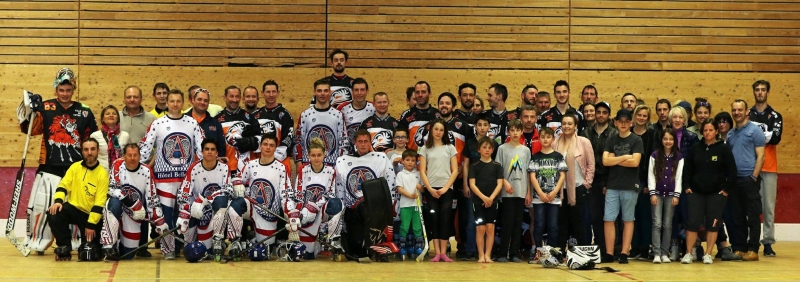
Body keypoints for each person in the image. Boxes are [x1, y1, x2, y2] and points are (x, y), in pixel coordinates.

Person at [18, 68, 98, 254]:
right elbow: (29, 129)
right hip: (50, 167)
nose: (64, 94)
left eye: (68, 90)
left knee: (77, 207)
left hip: (77, 169)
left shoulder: (84, 112)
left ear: (73, 89)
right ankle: (37, 240)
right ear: (56, 89)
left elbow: (92, 140)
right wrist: (30, 109)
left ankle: (76, 242)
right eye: (61, 90)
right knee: (42, 205)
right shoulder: (45, 107)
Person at [139, 88, 204, 259]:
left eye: (178, 101)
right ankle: (169, 250)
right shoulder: (157, 123)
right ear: (166, 103)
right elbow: (144, 149)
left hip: (186, 179)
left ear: (183, 103)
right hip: (163, 179)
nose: (175, 104)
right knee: (166, 215)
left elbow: (202, 149)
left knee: (187, 213)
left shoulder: (192, 123)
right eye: (172, 101)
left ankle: (190, 247)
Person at [333, 129, 397, 258]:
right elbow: (339, 188)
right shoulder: (343, 161)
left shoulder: (381, 158)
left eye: (365, 141)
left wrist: (389, 206)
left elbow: (391, 182)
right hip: (352, 210)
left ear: (370, 143)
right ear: (355, 143)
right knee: (353, 253)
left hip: (375, 209)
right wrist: (341, 212)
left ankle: (378, 246)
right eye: (360, 141)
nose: (363, 144)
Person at [683, 120, 738, 264]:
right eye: (705, 130)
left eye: (711, 130)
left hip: (716, 194)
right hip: (696, 193)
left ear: (716, 131)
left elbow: (732, 171)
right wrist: (687, 186)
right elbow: (687, 170)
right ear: (702, 131)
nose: (708, 133)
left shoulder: (723, 149)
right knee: (692, 223)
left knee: (713, 224)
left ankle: (708, 254)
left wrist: (726, 190)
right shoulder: (695, 148)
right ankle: (689, 253)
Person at [101, 144, 168, 260]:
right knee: (114, 202)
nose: (132, 158)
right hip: (119, 210)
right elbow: (112, 190)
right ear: (124, 156)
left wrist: (159, 222)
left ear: (140, 156)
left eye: (135, 155)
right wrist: (132, 204)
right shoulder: (117, 165)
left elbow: (152, 200)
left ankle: (121, 246)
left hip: (135, 215)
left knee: (128, 255)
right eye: (129, 155)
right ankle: (108, 246)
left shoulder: (146, 171)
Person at [177, 139, 241, 259]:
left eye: (212, 149)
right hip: (197, 211)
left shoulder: (224, 168)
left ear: (217, 153)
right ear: (202, 151)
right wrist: (185, 210)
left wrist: (206, 199)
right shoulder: (194, 168)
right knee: (190, 247)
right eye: (207, 149)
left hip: (217, 211)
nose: (209, 152)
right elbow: (183, 192)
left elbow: (227, 191)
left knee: (208, 251)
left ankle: (220, 242)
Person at [47, 138, 108, 261]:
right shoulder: (75, 167)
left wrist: (91, 224)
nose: (89, 152)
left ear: (98, 151)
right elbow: (63, 185)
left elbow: (100, 202)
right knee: (54, 212)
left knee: (90, 252)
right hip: (74, 208)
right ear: (82, 151)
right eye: (86, 149)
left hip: (91, 215)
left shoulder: (103, 174)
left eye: (92, 149)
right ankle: (64, 247)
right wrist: (58, 201)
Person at [601, 109, 644, 264]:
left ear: (631, 123)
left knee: (628, 219)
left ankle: (625, 252)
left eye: (627, 121)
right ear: (616, 122)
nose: (624, 124)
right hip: (613, 185)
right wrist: (626, 156)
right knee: (608, 219)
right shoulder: (611, 139)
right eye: (621, 121)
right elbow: (605, 161)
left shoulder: (636, 140)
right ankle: (609, 253)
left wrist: (616, 158)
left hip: (630, 185)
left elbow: (635, 162)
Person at [727, 99, 765, 261]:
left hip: (750, 180)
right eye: (734, 110)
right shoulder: (730, 134)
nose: (737, 113)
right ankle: (741, 248)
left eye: (740, 110)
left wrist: (753, 177)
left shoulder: (755, 130)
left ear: (746, 111)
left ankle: (754, 249)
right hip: (734, 181)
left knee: (753, 216)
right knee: (737, 216)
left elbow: (761, 155)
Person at [748, 80, 782, 257]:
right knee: (748, 206)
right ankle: (748, 240)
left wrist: (755, 134)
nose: (760, 93)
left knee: (768, 206)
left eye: (763, 90)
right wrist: (764, 134)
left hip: (769, 166)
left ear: (768, 92)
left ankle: (768, 241)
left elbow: (775, 138)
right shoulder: (747, 114)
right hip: (749, 166)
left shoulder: (776, 116)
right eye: (757, 90)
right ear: (754, 92)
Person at [240, 133, 292, 246]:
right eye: (265, 144)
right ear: (260, 146)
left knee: (265, 246)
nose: (268, 147)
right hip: (251, 206)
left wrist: (290, 212)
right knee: (234, 206)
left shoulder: (281, 168)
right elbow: (238, 180)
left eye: (271, 145)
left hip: (269, 213)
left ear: (275, 148)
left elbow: (286, 193)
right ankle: (237, 240)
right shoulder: (250, 165)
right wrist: (238, 186)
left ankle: (253, 238)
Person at [419, 119, 459, 262]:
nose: (438, 132)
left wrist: (446, 188)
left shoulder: (450, 148)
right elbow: (422, 171)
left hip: (446, 189)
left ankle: (444, 253)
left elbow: (455, 170)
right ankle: (437, 253)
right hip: (431, 190)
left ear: (444, 132)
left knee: (445, 219)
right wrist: (429, 188)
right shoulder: (425, 149)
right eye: (436, 129)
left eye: (441, 130)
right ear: (431, 130)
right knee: (434, 219)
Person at [552, 111, 594, 247]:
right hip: (560, 190)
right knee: (561, 223)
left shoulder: (584, 142)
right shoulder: (555, 144)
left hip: (578, 188)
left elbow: (590, 164)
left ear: (576, 126)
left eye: (570, 123)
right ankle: (560, 252)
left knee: (579, 222)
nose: (566, 126)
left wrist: (586, 184)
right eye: (564, 124)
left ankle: (582, 251)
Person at [581, 101, 616, 254]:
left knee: (609, 217)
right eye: (598, 112)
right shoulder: (586, 132)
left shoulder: (614, 133)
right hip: (590, 179)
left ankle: (610, 248)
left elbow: (615, 161)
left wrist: (609, 183)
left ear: (609, 115)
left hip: (608, 180)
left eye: (604, 112)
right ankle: (598, 247)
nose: (601, 115)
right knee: (594, 215)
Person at [292, 138, 336, 259]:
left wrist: (314, 206)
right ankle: (315, 243)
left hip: (322, 210)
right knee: (307, 255)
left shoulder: (331, 171)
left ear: (324, 155)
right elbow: (298, 193)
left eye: (319, 155)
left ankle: (332, 240)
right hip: (306, 213)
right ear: (308, 156)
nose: (316, 158)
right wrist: (299, 212)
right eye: (313, 155)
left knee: (337, 204)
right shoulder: (303, 170)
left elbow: (330, 194)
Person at [494, 120, 531, 263]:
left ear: (521, 132)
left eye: (518, 130)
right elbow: (498, 169)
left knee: (517, 223)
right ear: (508, 132)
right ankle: (503, 253)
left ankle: (514, 253)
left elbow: (528, 172)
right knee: (507, 223)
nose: (515, 133)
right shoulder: (502, 148)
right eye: (512, 130)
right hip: (507, 192)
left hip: (521, 191)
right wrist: (505, 183)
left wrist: (528, 192)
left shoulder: (526, 150)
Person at [667, 106, 699, 261]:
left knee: (688, 216)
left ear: (685, 120)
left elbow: (695, 163)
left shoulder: (692, 137)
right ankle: (673, 246)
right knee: (671, 217)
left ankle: (690, 248)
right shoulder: (665, 136)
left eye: (680, 117)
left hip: (687, 184)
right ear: (670, 119)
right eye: (675, 117)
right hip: (669, 183)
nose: (677, 120)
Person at [647, 128, 683, 264]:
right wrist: (652, 193)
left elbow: (679, 177)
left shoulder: (679, 157)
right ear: (661, 140)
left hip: (671, 195)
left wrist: (677, 195)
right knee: (657, 223)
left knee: (667, 224)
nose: (668, 141)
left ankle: (664, 252)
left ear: (674, 141)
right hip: (657, 194)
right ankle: (656, 253)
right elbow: (651, 175)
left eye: (671, 139)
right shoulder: (655, 155)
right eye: (665, 139)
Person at [529, 127, 567, 251]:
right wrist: (540, 193)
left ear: (553, 139)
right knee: (539, 225)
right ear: (539, 139)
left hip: (554, 198)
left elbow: (562, 175)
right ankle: (539, 251)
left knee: (553, 226)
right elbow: (532, 176)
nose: (545, 139)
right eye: (543, 137)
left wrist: (555, 191)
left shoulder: (558, 156)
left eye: (548, 137)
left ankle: (552, 252)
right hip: (538, 197)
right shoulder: (535, 157)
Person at [295, 78, 348, 167]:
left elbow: (343, 142)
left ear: (330, 92)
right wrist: (299, 162)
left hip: (332, 165)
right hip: (308, 165)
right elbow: (298, 140)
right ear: (314, 92)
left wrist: (340, 165)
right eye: (319, 91)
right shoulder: (305, 115)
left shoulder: (338, 115)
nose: (322, 93)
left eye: (325, 91)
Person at [468, 137, 504, 264]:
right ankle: (481, 255)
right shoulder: (474, 166)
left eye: (489, 148)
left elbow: (500, 184)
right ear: (479, 150)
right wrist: (483, 197)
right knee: (480, 229)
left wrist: (491, 198)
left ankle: (488, 255)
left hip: (492, 202)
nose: (487, 150)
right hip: (478, 202)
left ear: (493, 150)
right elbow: (472, 184)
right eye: (484, 147)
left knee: (490, 228)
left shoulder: (497, 166)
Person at [251, 80, 295, 171]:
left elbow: (287, 140)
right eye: (268, 92)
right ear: (262, 93)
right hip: (259, 161)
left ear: (278, 93)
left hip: (280, 162)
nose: (271, 95)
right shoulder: (255, 115)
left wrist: (273, 160)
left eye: (273, 92)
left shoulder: (285, 115)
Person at [631, 105, 655, 260]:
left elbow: (653, 160)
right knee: (631, 216)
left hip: (645, 181)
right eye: (639, 115)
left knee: (645, 216)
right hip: (629, 180)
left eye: (644, 116)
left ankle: (645, 247)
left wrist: (648, 183)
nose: (641, 118)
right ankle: (634, 247)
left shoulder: (652, 135)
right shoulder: (629, 134)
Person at [395, 150, 425, 258]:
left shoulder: (419, 174)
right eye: (407, 160)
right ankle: (402, 246)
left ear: (416, 162)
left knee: (417, 227)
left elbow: (423, 190)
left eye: (413, 160)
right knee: (405, 226)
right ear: (402, 161)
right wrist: (410, 196)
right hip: (405, 205)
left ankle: (418, 246)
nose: (410, 162)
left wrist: (420, 188)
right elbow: (400, 189)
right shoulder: (400, 174)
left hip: (417, 205)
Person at [214, 85, 249, 173]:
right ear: (225, 98)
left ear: (241, 98)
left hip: (245, 169)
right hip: (223, 168)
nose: (234, 100)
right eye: (231, 96)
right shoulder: (216, 119)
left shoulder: (249, 118)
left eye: (237, 96)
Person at [186, 88, 226, 164]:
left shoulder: (215, 123)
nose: (202, 102)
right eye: (199, 99)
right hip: (186, 166)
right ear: (193, 100)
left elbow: (221, 146)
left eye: (205, 100)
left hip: (209, 167)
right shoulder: (183, 120)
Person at [398, 81, 439, 151]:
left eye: (423, 92)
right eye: (417, 92)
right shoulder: (407, 115)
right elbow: (401, 139)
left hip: (433, 157)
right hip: (412, 159)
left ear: (430, 94)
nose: (420, 95)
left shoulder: (438, 115)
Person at [338, 77, 375, 153]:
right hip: (349, 152)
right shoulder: (342, 108)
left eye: (362, 90)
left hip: (370, 152)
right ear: (352, 91)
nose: (359, 93)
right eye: (356, 90)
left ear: (367, 91)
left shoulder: (374, 107)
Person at [91, 105, 130, 172]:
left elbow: (128, 154)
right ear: (102, 119)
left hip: (121, 172)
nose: (111, 115)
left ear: (118, 118)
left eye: (114, 114)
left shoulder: (125, 135)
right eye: (107, 114)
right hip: (100, 173)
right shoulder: (95, 136)